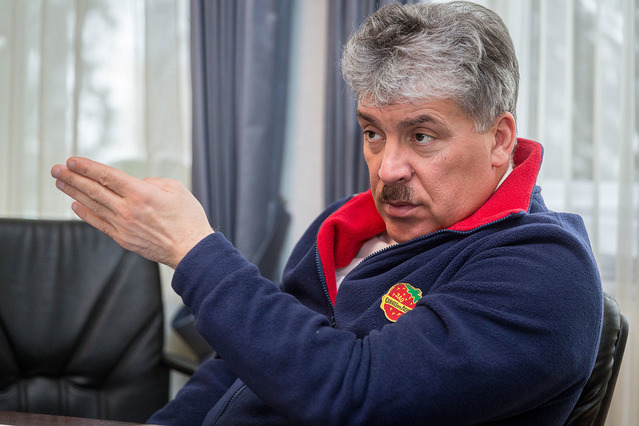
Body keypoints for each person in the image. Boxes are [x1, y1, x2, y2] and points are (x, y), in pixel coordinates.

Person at [51, 2, 603, 425]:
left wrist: (195, 251)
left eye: (421, 135)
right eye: (373, 133)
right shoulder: (343, 227)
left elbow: (355, 395)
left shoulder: (544, 268)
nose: (388, 168)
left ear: (499, 140)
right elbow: (242, 365)